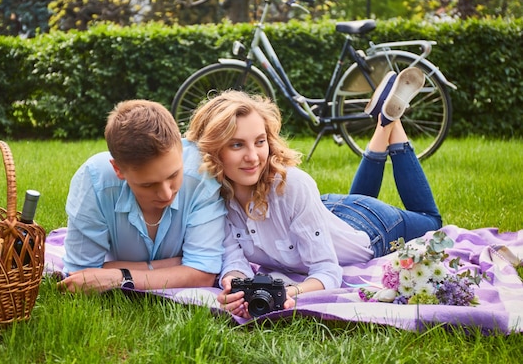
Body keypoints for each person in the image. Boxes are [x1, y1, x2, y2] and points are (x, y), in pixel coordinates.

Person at [185, 67, 442, 318]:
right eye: (237, 144)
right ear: (212, 150)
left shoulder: (293, 184)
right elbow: (234, 261)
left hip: (371, 229)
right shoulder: (213, 201)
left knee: (431, 221)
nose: (253, 157)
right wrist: (235, 287)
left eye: (260, 141)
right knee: (351, 209)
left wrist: (290, 292)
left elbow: (327, 270)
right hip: (325, 211)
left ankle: (389, 122)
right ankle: (384, 120)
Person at [58, 99, 227, 294]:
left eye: (173, 175)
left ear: (181, 148)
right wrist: (178, 266)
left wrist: (120, 276)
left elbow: (203, 275)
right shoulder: (94, 181)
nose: (166, 193)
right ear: (118, 169)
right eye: (148, 184)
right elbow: (80, 276)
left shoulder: (201, 173)